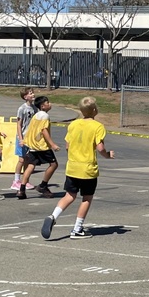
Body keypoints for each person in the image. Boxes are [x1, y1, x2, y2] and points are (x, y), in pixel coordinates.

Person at [41, 97, 115, 240]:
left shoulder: (73, 125)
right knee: (86, 198)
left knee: (69, 195)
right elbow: (100, 148)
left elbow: (68, 146)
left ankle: (53, 215)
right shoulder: (97, 126)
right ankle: (77, 228)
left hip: (73, 166)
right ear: (94, 110)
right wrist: (107, 155)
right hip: (87, 169)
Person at [18, 95, 60, 198]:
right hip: (42, 146)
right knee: (54, 164)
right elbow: (44, 130)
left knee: (31, 165)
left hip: (33, 145)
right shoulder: (45, 116)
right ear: (42, 106)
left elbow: (30, 130)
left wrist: (26, 141)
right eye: (47, 102)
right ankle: (43, 185)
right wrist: (52, 144)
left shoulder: (35, 116)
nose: (49, 104)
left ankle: (22, 189)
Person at [12, 87, 37, 191]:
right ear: (25, 96)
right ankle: (16, 181)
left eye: (32, 92)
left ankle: (25, 180)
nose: (32, 94)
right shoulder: (22, 109)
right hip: (22, 137)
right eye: (30, 93)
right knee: (21, 159)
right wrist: (20, 138)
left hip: (30, 138)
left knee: (28, 159)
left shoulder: (35, 108)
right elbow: (19, 124)